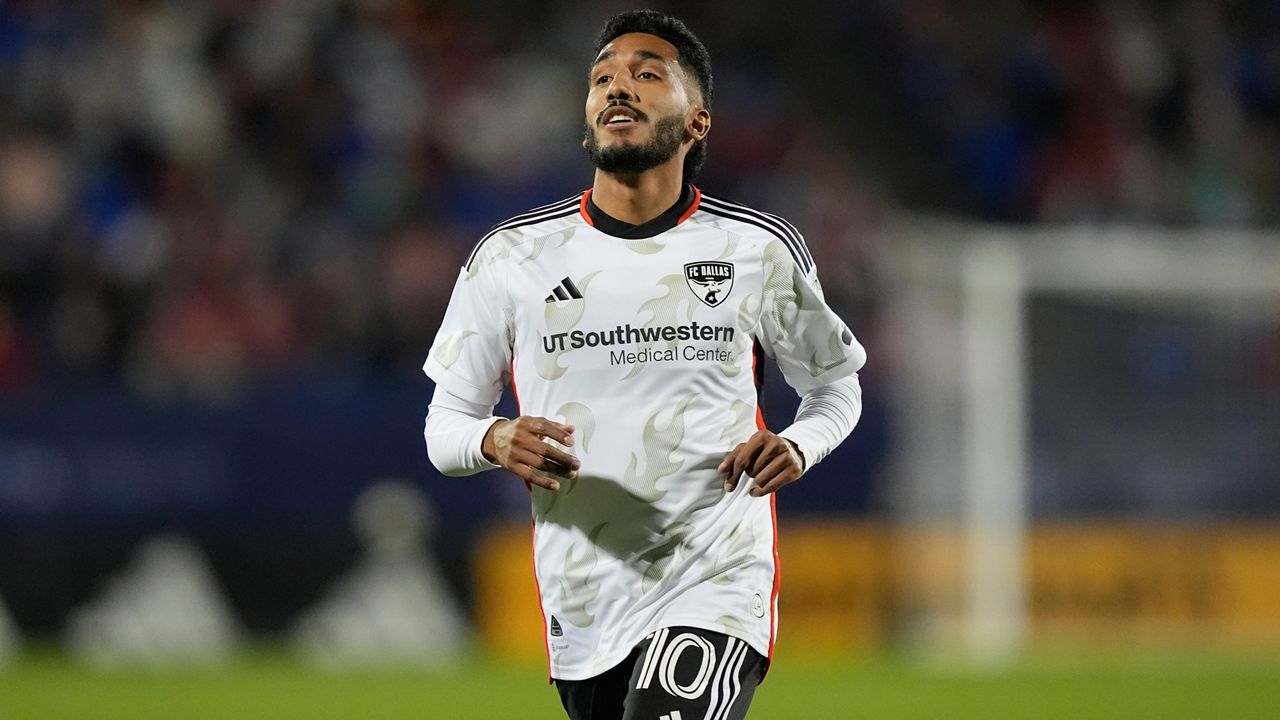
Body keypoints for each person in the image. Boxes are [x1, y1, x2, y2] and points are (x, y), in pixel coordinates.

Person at [424, 10, 865, 720]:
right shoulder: (511, 258)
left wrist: (798, 444)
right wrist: (494, 439)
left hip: (714, 579)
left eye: (647, 75)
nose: (617, 88)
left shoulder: (756, 250)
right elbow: (445, 425)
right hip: (584, 598)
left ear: (698, 124)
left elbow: (835, 389)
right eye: (603, 78)